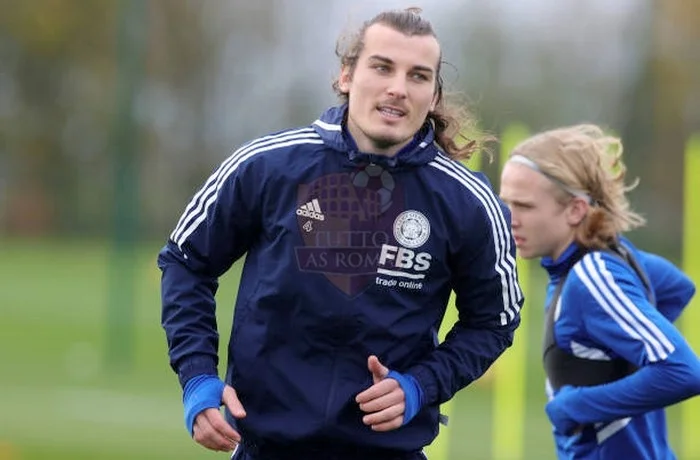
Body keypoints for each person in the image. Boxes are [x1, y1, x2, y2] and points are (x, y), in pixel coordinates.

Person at [158, 7, 524, 460]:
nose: (397, 87)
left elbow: (494, 320)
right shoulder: (267, 165)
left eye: (418, 76)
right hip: (266, 448)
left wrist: (421, 385)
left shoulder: (467, 201)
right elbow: (185, 262)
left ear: (432, 96)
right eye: (382, 67)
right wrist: (197, 376)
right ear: (346, 76)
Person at [499, 123, 700, 459]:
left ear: (575, 210)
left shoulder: (591, 277)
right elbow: (677, 288)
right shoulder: (615, 254)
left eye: (525, 206)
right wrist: (624, 353)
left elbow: (683, 372)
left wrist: (578, 406)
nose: (509, 218)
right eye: (506, 203)